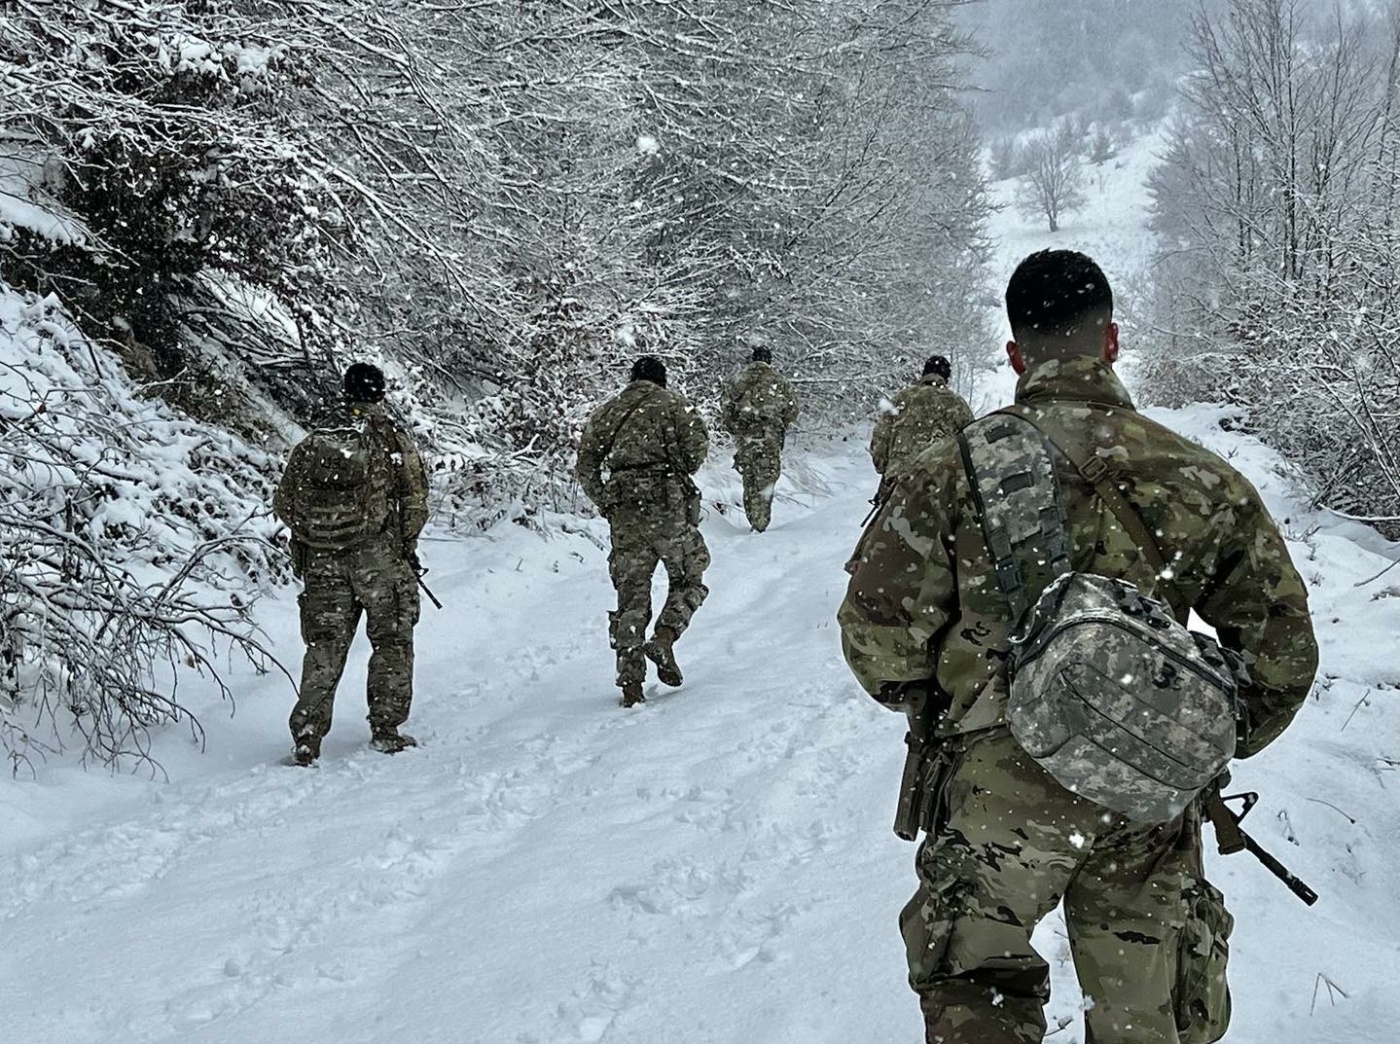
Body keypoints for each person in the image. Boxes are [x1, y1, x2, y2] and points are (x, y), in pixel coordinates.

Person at [837, 249, 1318, 1044]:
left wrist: (951, 706)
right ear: (1112, 341)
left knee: (977, 997)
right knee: (1147, 1018)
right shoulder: (1196, 476)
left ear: (1016, 354)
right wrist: (1187, 738)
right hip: (1146, 795)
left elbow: (876, 636)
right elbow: (1281, 657)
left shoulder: (946, 471)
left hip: (997, 789)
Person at [273, 362, 430, 766]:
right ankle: (386, 728)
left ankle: (308, 734)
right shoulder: (390, 437)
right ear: (380, 393)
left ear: (345, 391)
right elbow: (415, 500)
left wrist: (320, 537)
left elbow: (285, 502)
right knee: (392, 640)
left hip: (322, 563)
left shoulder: (316, 439)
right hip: (377, 560)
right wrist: (402, 544)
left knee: (324, 646)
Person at [576, 355, 710, 708]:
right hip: (668, 505)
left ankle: (630, 683)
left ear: (632, 378)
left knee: (631, 595)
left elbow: (586, 464)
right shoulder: (676, 405)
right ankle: (665, 636)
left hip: (624, 510)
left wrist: (606, 500)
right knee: (690, 577)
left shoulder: (607, 412)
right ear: (661, 380)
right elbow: (695, 454)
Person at [869, 354, 974, 502]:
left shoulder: (901, 399)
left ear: (924, 374)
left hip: (898, 486)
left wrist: (887, 468)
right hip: (941, 487)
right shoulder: (958, 405)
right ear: (947, 378)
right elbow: (971, 446)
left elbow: (879, 442)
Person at [720, 344, 798, 532]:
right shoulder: (779, 380)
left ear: (753, 359)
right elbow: (792, 409)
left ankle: (753, 516)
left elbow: (726, 410)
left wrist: (737, 429)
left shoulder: (738, 380)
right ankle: (760, 520)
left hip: (745, 437)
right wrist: (779, 424)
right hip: (769, 436)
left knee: (749, 477)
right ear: (769, 360)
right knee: (766, 477)